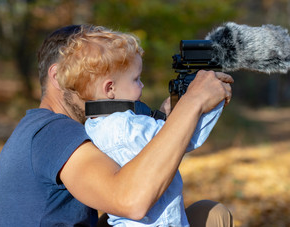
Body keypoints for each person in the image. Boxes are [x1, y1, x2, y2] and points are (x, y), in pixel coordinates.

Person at [0, 24, 234, 227]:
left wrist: (171, 117)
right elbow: (132, 201)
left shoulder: (39, 129)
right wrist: (193, 102)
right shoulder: (53, 132)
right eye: (91, 74)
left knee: (209, 214)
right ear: (58, 77)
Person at [56, 26, 226, 226]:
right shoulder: (125, 126)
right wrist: (209, 100)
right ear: (110, 88)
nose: (142, 85)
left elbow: (154, 143)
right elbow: (181, 139)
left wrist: (166, 114)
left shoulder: (95, 127)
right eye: (136, 79)